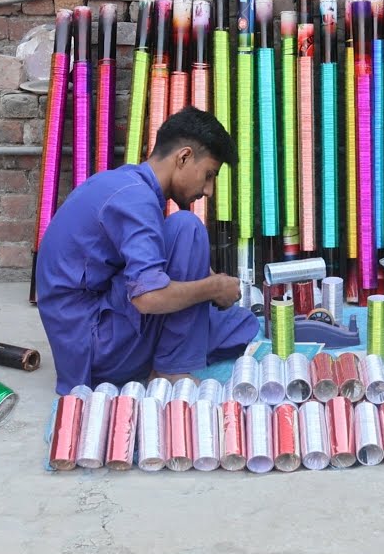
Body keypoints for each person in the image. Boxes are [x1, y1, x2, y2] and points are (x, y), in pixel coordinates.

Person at [36, 107, 255, 394]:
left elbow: (157, 255)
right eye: (209, 175)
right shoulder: (136, 201)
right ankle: (170, 369)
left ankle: (176, 350)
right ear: (184, 157)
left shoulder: (126, 183)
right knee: (187, 227)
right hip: (95, 348)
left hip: (84, 334)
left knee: (242, 326)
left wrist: (206, 278)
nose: (209, 190)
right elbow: (147, 298)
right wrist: (212, 288)